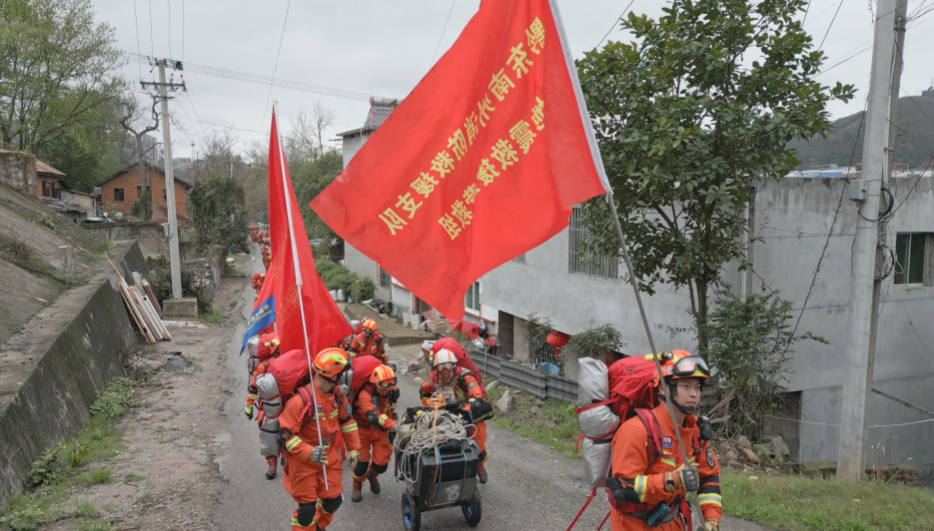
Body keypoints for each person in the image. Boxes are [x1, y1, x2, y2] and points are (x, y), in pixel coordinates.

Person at [605, 351, 721, 531]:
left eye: (697, 387)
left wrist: (711, 521)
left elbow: (709, 479)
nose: (694, 394)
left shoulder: (696, 433)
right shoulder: (636, 430)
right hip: (634, 524)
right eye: (686, 386)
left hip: (672, 521)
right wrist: (671, 480)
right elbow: (623, 488)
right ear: (662, 388)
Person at [279, 348, 361, 531]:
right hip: (303, 462)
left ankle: (317, 527)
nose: (344, 377)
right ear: (332, 375)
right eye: (341, 374)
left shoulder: (337, 396)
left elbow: (347, 421)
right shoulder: (301, 400)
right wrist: (309, 452)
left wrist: (354, 448)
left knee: (333, 501)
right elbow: (285, 436)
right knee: (306, 509)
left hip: (329, 456)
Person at [419, 348, 493, 484]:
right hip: (445, 414)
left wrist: (463, 412)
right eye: (441, 370)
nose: (445, 375)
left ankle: (479, 465)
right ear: (436, 370)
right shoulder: (434, 379)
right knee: (439, 442)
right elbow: (424, 391)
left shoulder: (465, 377)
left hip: (468, 414)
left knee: (478, 442)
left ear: (455, 367)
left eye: (448, 370)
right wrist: (428, 408)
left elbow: (476, 397)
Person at [350, 364, 399, 502]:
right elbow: (373, 414)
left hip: (381, 431)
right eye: (383, 388)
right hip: (362, 430)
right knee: (361, 463)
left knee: (382, 464)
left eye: (389, 387)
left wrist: (393, 418)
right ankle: (357, 484)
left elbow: (390, 408)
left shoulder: (393, 391)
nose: (387, 390)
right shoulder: (364, 394)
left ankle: (372, 475)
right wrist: (391, 424)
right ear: (375, 383)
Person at [245, 333, 281, 479]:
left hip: (289, 403)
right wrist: (248, 404)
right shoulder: (263, 367)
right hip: (268, 405)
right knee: (268, 433)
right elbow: (254, 387)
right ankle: (272, 462)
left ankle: (284, 453)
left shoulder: (292, 363)